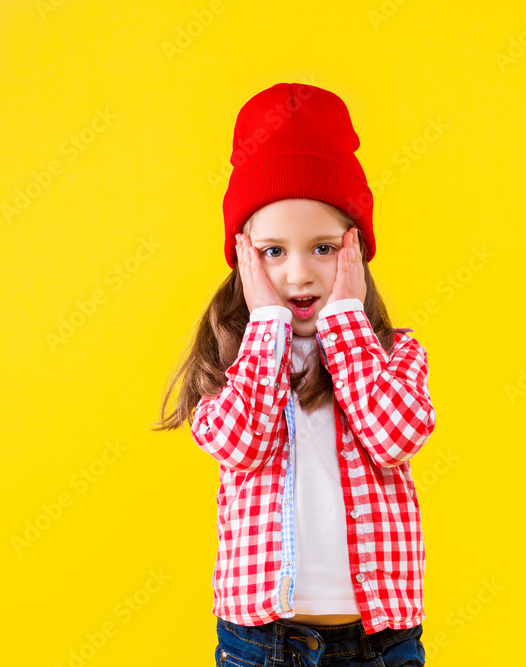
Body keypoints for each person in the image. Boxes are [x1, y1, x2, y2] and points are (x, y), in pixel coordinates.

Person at [152, 82, 436, 666]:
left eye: (324, 248)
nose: (300, 274)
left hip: (379, 641)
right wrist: (266, 329)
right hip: (261, 642)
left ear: (356, 250)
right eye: (274, 252)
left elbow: (396, 437)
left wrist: (347, 323)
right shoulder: (229, 360)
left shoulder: (394, 355)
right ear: (243, 257)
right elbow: (241, 444)